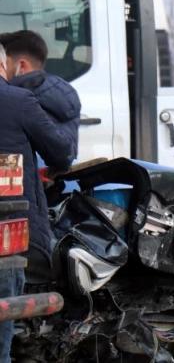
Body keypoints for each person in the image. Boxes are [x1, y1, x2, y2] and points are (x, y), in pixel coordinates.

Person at [0, 43, 73, 362]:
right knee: (4, 306)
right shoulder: (17, 101)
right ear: (4, 67)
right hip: (5, 229)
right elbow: (61, 152)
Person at [0, 30, 81, 158]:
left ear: (21, 66)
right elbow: (63, 154)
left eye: (4, 64)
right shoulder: (64, 93)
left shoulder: (18, 100)